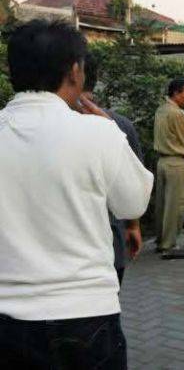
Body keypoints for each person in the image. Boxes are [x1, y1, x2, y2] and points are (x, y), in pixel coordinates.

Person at [0, 19, 153, 369]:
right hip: (86, 316)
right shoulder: (98, 133)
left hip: (6, 319)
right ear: (74, 71)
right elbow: (134, 202)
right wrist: (109, 130)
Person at [82, 52, 144, 285]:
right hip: (109, 240)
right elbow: (132, 188)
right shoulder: (119, 124)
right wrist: (133, 225)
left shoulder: (35, 128)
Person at [154, 79, 184, 260]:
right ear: (176, 93)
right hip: (176, 163)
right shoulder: (177, 113)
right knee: (176, 205)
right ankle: (169, 245)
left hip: (162, 161)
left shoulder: (161, 109)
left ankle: (161, 241)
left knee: (163, 205)